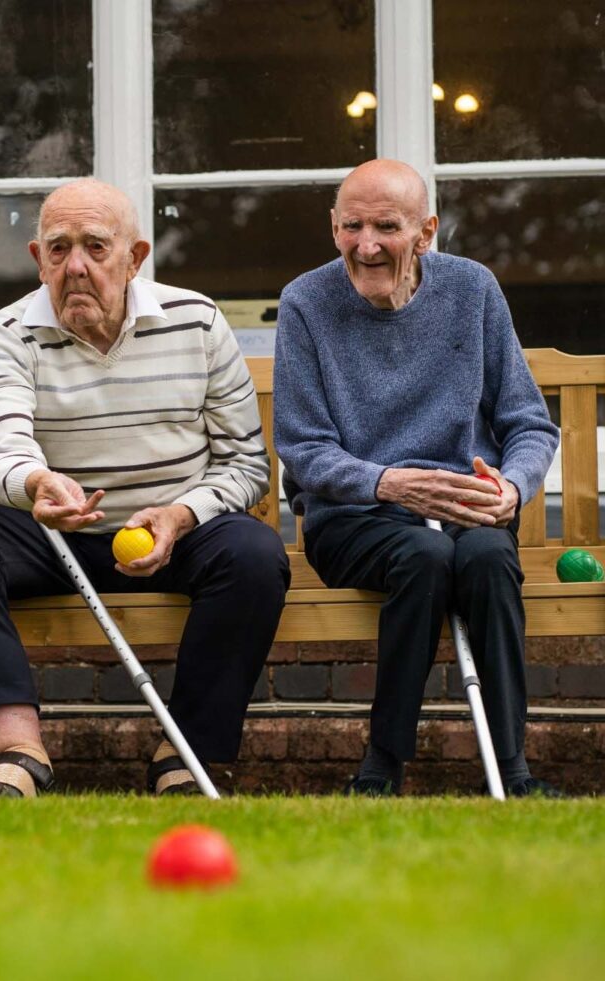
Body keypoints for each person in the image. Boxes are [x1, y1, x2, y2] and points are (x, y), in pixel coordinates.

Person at [0, 178, 289, 797]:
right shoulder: (6, 332)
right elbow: (4, 440)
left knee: (254, 555)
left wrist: (182, 515)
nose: (76, 266)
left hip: (173, 534)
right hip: (55, 532)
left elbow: (246, 465)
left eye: (95, 247)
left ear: (135, 258)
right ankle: (14, 753)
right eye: (58, 249)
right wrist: (37, 482)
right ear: (38, 260)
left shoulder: (196, 321)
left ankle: (183, 757)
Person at [273, 159, 561, 797]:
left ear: (427, 231)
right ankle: (382, 767)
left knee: (487, 558)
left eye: (386, 227)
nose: (366, 245)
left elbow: (530, 426)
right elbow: (302, 446)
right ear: (333, 227)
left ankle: (514, 771)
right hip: (353, 517)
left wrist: (511, 486)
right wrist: (390, 484)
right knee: (424, 554)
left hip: (465, 510)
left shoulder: (473, 290)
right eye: (351, 227)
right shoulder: (305, 303)